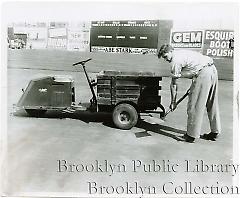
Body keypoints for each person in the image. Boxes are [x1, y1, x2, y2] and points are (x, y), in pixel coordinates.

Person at [158, 44, 221, 143]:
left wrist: (173, 102)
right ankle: (215, 132)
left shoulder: (175, 60)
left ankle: (191, 135)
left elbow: (174, 84)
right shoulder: (180, 53)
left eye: (165, 56)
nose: (166, 59)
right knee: (212, 102)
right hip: (212, 70)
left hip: (203, 74)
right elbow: (194, 68)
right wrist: (194, 85)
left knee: (194, 106)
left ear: (170, 51)